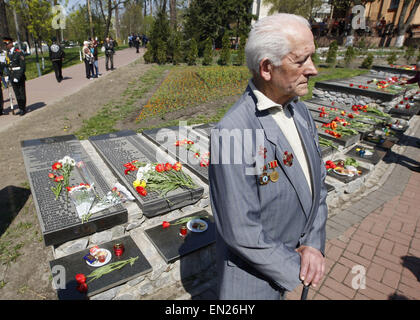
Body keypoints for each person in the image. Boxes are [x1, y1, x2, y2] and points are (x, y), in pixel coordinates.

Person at [208, 13, 327, 300]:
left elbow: (318, 182)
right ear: (266, 68)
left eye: (312, 57)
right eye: (301, 61)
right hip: (252, 284)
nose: (313, 70)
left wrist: (313, 243)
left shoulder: (299, 110)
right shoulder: (233, 131)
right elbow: (241, 229)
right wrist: (294, 266)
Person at [3, 37, 27, 116]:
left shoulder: (19, 52)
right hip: (12, 76)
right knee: (17, 93)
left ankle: (23, 108)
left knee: (21, 93)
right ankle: (20, 108)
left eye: (7, 44)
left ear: (11, 43)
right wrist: (7, 75)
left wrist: (18, 76)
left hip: (19, 76)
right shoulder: (8, 54)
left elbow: (23, 66)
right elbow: (8, 65)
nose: (7, 46)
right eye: (6, 44)